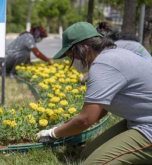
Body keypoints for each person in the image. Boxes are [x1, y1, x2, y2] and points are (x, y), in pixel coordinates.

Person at [37, 22, 152, 164]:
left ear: (84, 49)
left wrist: (53, 133)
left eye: (70, 55)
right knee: (86, 154)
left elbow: (85, 120)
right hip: (139, 120)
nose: (71, 62)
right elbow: (100, 110)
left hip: (148, 126)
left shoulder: (103, 65)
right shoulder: (112, 54)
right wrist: (68, 125)